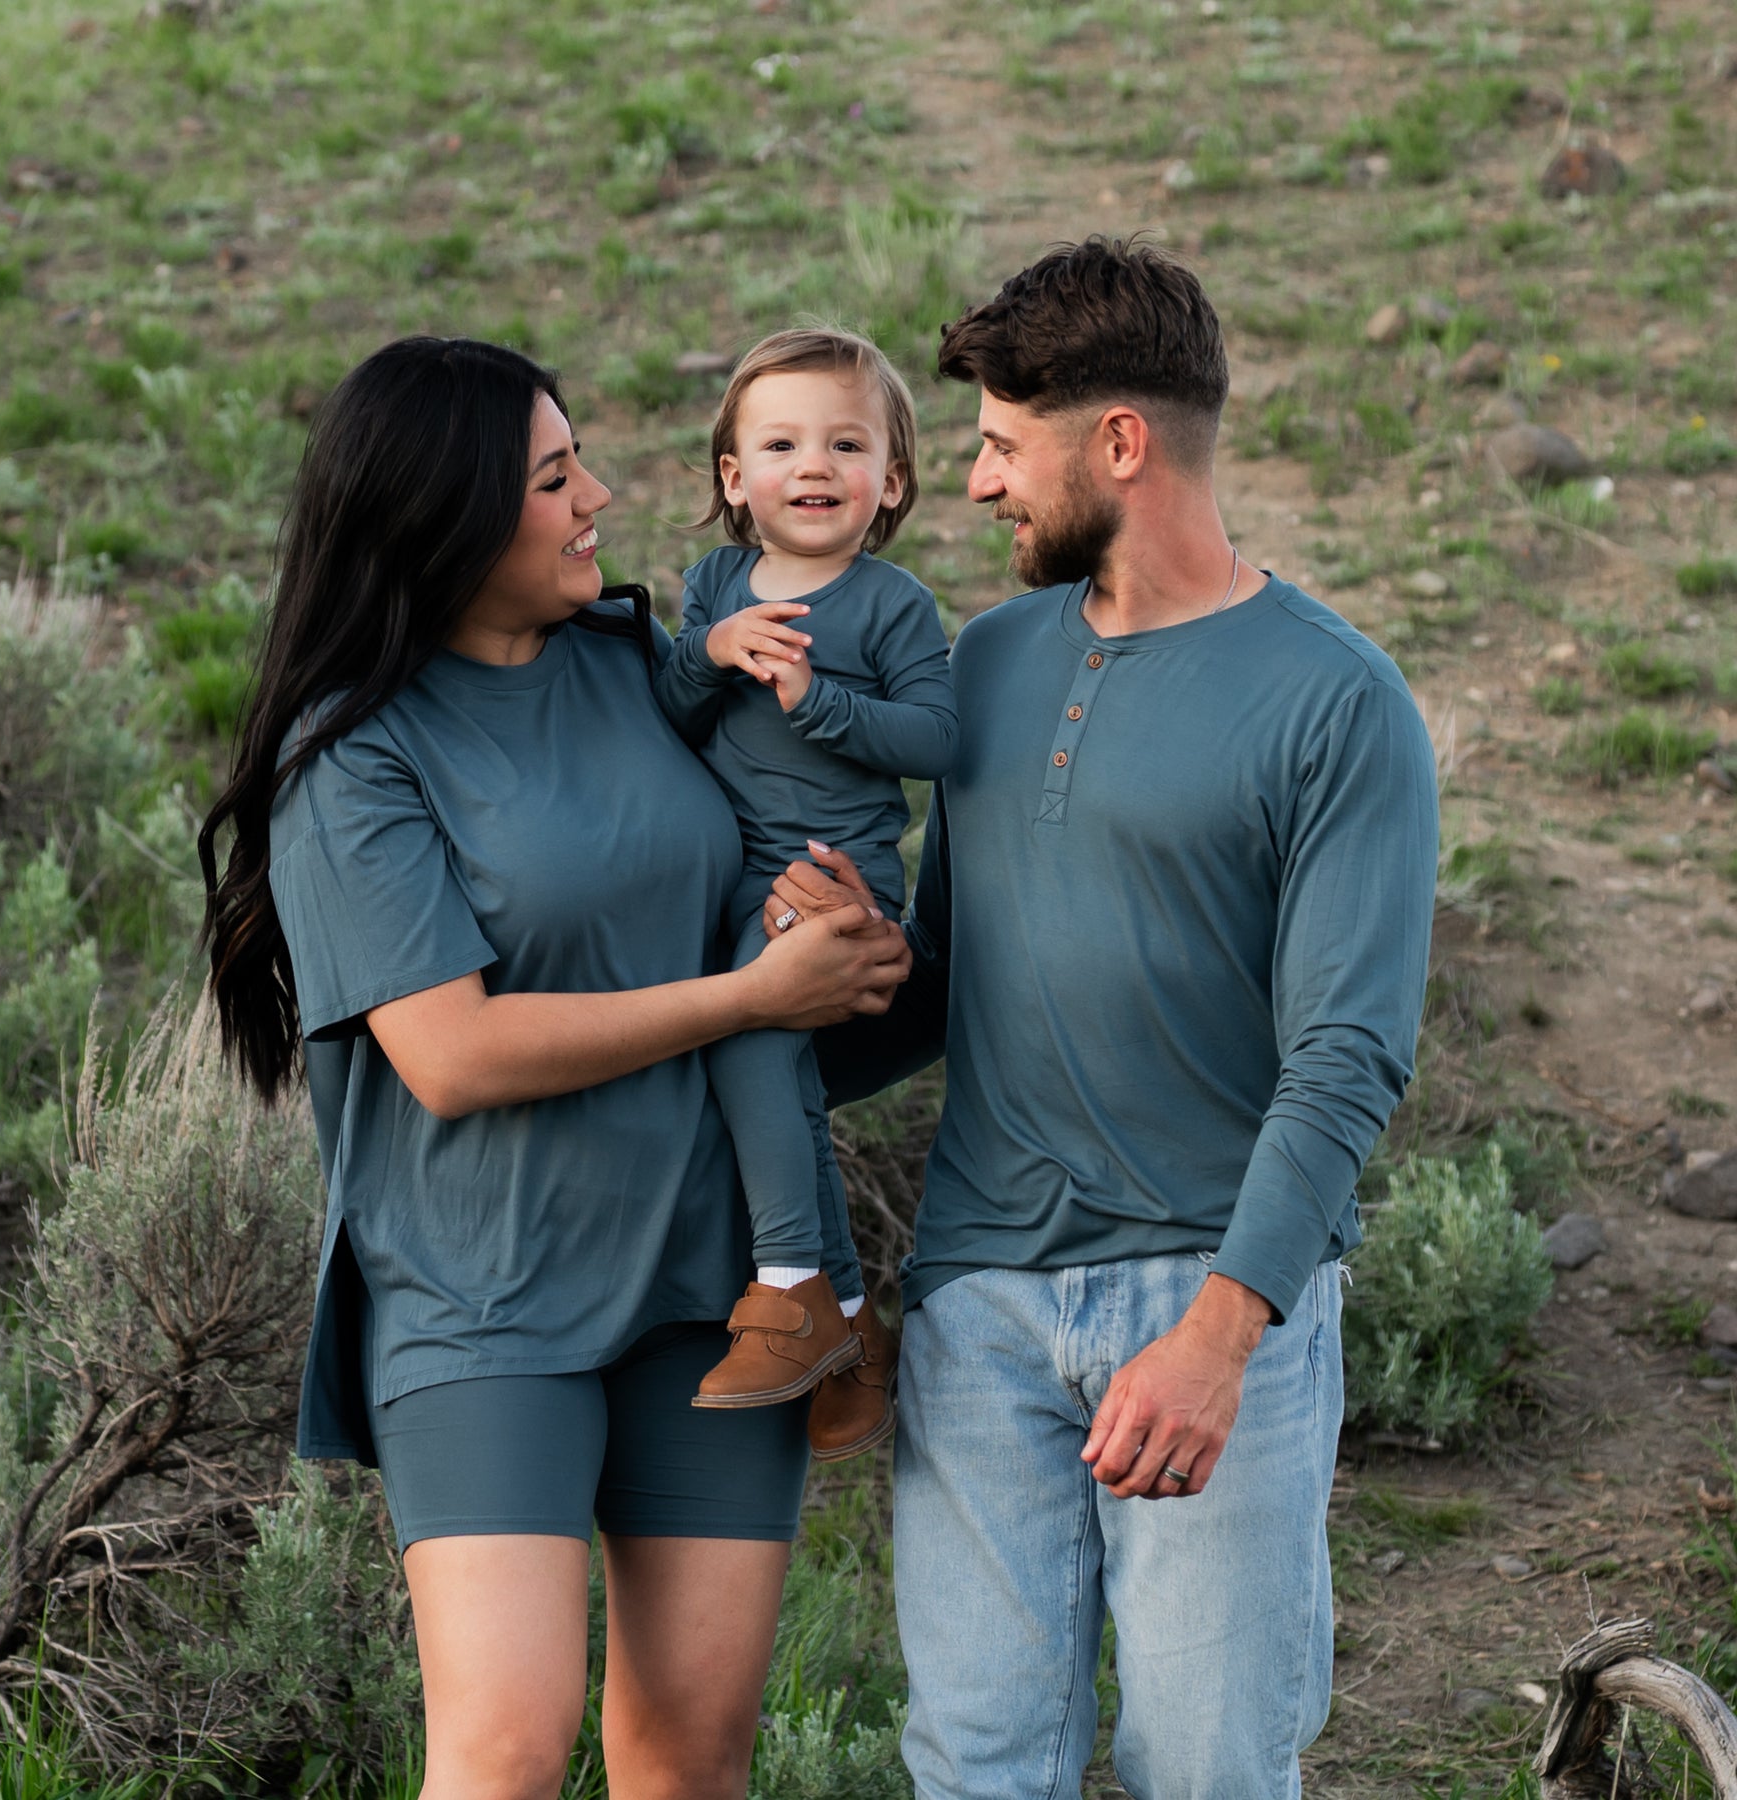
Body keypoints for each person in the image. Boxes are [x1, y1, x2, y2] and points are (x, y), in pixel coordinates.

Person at [767, 239, 1441, 1798]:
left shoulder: (1340, 705)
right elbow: (950, 985)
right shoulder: (990, 661)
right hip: (982, 1306)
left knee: (1207, 1766)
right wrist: (793, 996)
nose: (982, 483)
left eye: (1005, 445)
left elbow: (1349, 1058)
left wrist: (1220, 1339)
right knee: (977, 1765)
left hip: (1212, 1309)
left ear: (1119, 444)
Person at [196, 336, 909, 1800]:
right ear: (447, 518)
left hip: (707, 1294)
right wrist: (746, 995)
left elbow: (777, 833)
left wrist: (844, 940)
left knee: (691, 1755)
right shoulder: (356, 756)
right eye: (552, 475)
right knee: (509, 1749)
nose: (598, 494)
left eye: (579, 458)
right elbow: (449, 1055)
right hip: (484, 1303)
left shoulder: (641, 668)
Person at [653, 328, 956, 1458]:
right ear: (736, 478)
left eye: (846, 442)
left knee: (749, 1038)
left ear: (892, 479)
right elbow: (672, 717)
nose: (813, 464)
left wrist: (816, 700)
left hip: (836, 884)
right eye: (780, 443)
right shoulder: (717, 585)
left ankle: (788, 1290)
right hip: (733, 877)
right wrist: (708, 651)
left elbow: (937, 737)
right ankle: (847, 1331)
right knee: (778, 1076)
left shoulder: (889, 606)